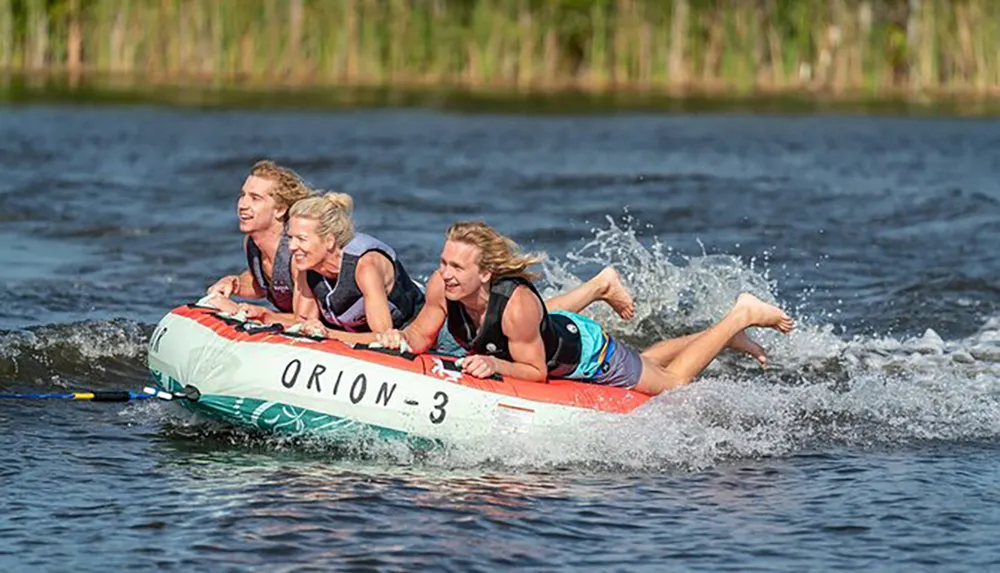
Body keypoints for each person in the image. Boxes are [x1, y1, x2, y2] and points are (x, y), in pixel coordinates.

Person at [375, 221, 793, 396]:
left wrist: (494, 366)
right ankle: (723, 337)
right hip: (554, 332)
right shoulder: (440, 286)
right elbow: (420, 336)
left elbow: (535, 372)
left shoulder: (515, 305)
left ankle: (741, 315)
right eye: (444, 262)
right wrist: (397, 339)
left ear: (485, 274)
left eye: (456, 267)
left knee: (673, 382)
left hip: (587, 355)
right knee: (646, 360)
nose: (445, 273)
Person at [205, 160, 314, 318]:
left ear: (280, 210)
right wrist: (234, 283)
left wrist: (262, 314)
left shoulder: (297, 253)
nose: (243, 205)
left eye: (255, 198)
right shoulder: (252, 244)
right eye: (243, 195)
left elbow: (305, 319)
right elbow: (260, 283)